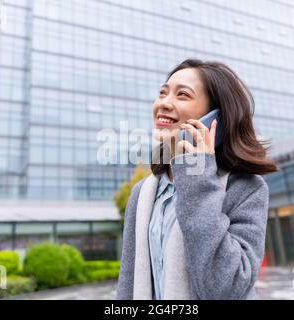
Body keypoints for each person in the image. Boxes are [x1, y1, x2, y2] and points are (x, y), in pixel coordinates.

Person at [116, 58, 278, 300]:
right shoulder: (143, 192)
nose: (164, 103)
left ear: (216, 120)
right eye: (162, 93)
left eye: (182, 95)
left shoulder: (246, 188)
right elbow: (128, 285)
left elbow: (226, 288)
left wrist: (197, 175)